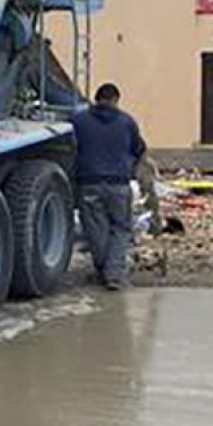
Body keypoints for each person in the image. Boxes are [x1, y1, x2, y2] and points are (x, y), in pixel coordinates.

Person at [72, 82, 146, 290]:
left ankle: (104, 270)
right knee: (120, 228)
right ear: (115, 100)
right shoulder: (127, 122)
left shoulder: (78, 120)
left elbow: (68, 146)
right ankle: (113, 275)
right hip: (118, 184)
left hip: (88, 182)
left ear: (96, 99)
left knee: (96, 230)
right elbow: (139, 149)